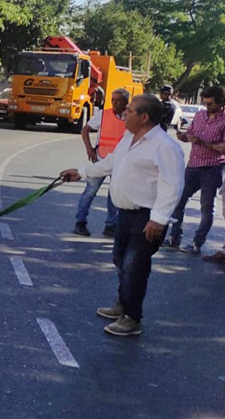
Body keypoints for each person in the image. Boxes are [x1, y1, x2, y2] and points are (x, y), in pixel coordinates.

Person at [60, 94, 184, 337]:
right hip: (125, 214)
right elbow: (111, 163)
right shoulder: (129, 138)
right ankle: (123, 303)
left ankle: (132, 318)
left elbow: (172, 186)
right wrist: (82, 173)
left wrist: (158, 219)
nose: (124, 114)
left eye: (130, 111)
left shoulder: (165, 147)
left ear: (144, 117)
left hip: (146, 218)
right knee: (120, 260)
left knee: (135, 268)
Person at [166, 86, 225, 254]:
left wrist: (203, 143)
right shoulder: (200, 115)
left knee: (206, 208)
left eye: (211, 104)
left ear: (221, 103)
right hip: (193, 165)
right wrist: (184, 137)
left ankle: (197, 243)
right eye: (205, 103)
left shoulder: (224, 121)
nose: (207, 107)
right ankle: (174, 237)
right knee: (178, 200)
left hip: (213, 167)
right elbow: (191, 134)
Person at [73, 88, 129, 238]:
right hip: (101, 158)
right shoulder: (104, 115)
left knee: (114, 194)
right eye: (113, 100)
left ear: (126, 102)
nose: (115, 103)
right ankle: (80, 222)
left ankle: (110, 225)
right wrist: (90, 149)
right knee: (90, 191)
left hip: (120, 163)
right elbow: (85, 130)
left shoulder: (130, 117)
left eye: (119, 100)